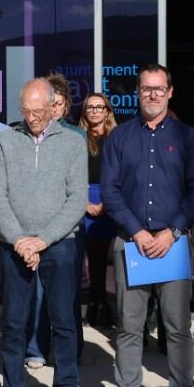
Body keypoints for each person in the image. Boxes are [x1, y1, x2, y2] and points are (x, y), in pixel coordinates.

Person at [99, 64, 194, 387]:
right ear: (137, 92)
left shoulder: (187, 136)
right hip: (132, 243)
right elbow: (110, 191)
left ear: (170, 92)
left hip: (173, 243)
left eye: (159, 88)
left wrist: (171, 231)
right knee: (130, 327)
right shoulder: (120, 137)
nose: (153, 94)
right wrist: (138, 232)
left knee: (177, 327)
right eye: (146, 88)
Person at [0, 78, 91, 387]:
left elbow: (77, 199)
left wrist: (43, 239)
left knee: (63, 322)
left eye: (38, 110)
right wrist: (19, 239)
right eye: (26, 110)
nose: (31, 117)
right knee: (14, 323)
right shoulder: (5, 141)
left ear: (53, 106)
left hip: (59, 245)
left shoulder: (73, 144)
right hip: (13, 246)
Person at [81, 92, 119, 329]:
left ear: (107, 111)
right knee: (91, 256)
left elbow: (120, 173)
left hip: (110, 199)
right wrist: (84, 202)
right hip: (84, 198)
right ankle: (97, 303)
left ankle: (101, 302)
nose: (95, 111)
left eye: (99, 107)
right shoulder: (78, 138)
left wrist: (107, 202)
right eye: (90, 107)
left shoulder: (117, 138)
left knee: (106, 255)